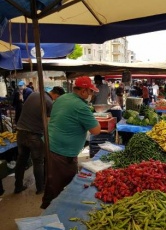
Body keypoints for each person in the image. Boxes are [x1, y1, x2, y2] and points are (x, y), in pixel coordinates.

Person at [41, 76, 101, 209]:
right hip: (62, 151)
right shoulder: (80, 106)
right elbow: (96, 130)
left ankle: (51, 206)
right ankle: (49, 212)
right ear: (83, 91)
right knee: (59, 184)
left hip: (50, 144)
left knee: (53, 179)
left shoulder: (63, 97)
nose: (91, 94)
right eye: (90, 91)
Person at [14, 86, 65, 195]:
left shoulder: (34, 94)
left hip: (21, 132)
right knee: (38, 162)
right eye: (58, 98)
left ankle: (17, 187)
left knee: (21, 160)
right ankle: (40, 188)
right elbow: (49, 124)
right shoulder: (49, 102)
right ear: (56, 94)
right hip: (35, 135)